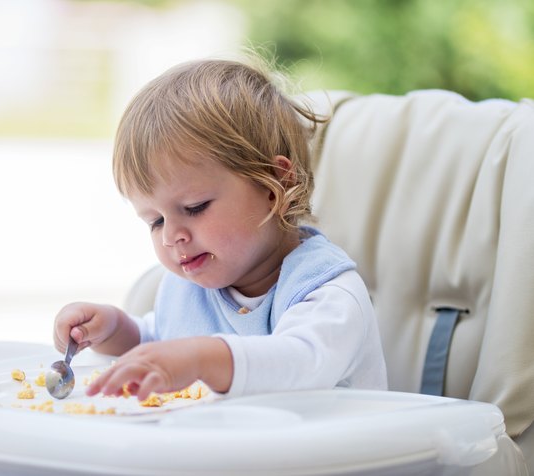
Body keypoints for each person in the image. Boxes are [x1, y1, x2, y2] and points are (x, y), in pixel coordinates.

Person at [53, 56, 387, 401]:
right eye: (155, 221)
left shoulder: (326, 293)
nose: (171, 236)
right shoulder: (190, 289)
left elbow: (300, 363)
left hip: (328, 453)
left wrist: (202, 358)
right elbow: (160, 343)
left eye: (194, 208)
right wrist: (114, 330)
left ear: (273, 188)